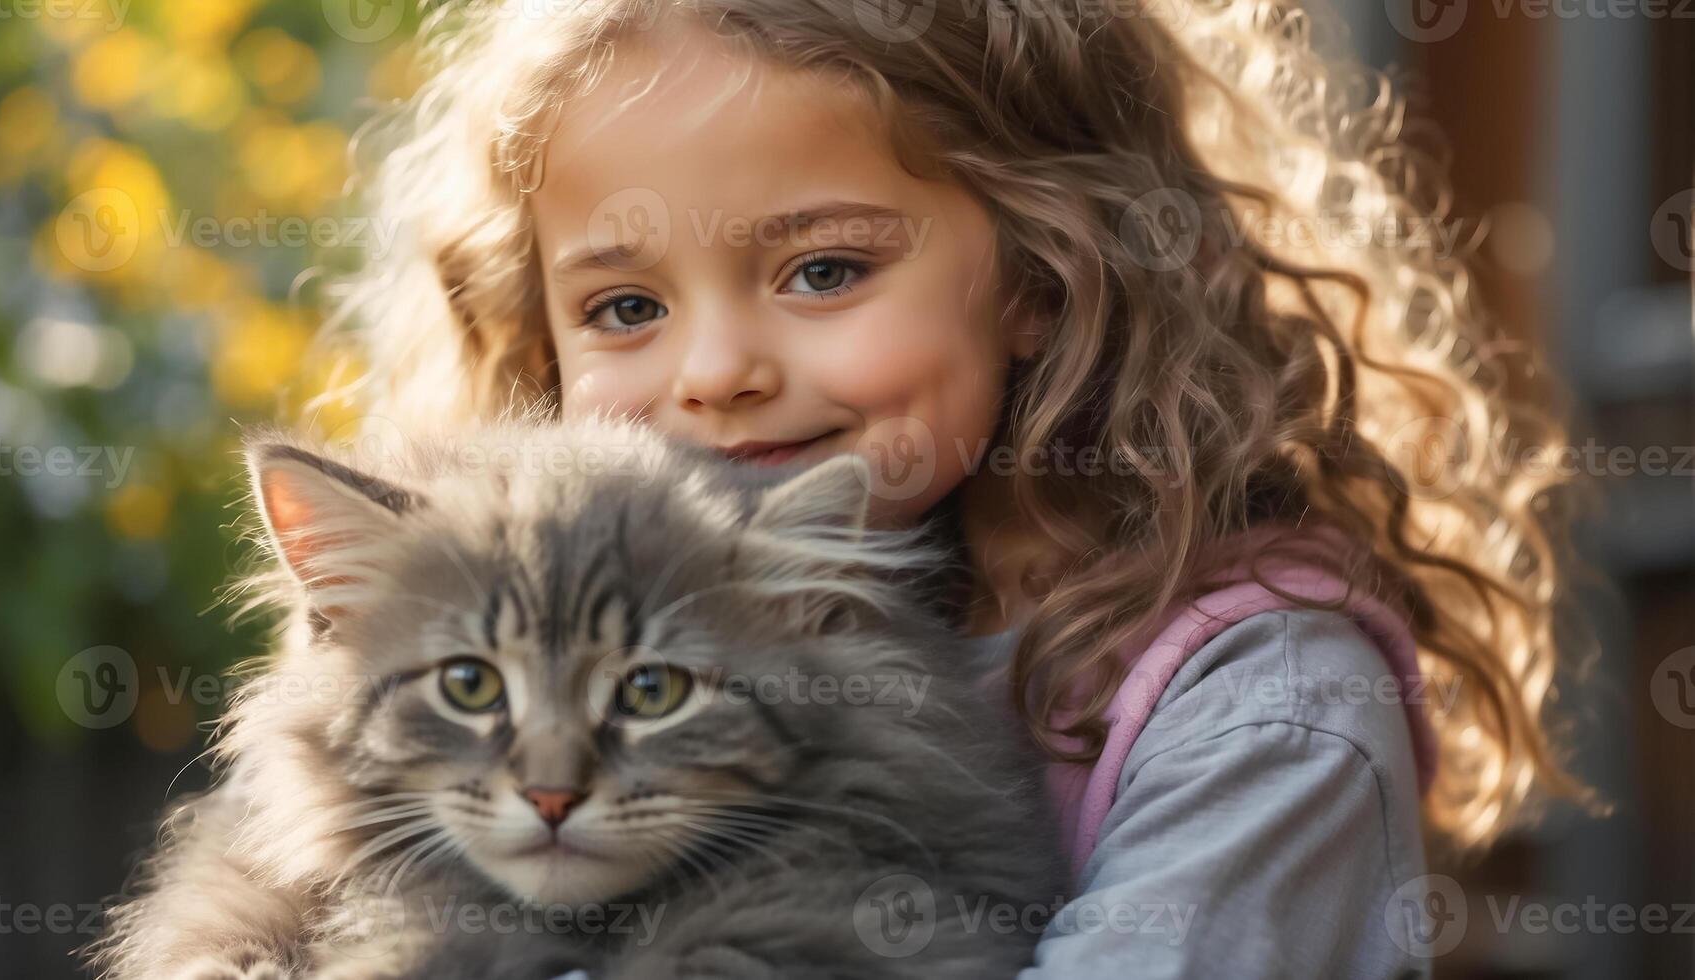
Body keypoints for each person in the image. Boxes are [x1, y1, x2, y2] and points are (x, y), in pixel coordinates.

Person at [317, 0, 1594, 972]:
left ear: (1045, 271)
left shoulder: (1263, 701)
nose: (713, 372)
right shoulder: (541, 659)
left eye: (822, 271)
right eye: (626, 304)